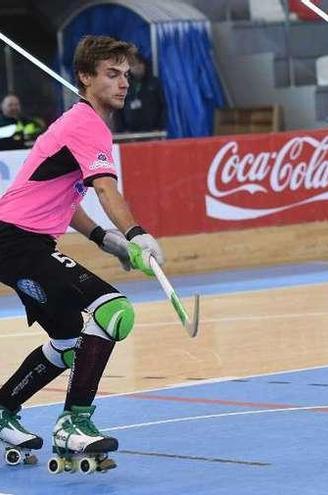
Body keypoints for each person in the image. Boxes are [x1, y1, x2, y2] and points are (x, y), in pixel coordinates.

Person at [0, 35, 165, 469]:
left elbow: (67, 201)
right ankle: (74, 423)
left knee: (69, 339)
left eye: (126, 74)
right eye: (111, 74)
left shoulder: (79, 124)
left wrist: (106, 240)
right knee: (114, 312)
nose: (123, 83)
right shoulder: (86, 123)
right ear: (85, 78)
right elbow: (104, 188)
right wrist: (135, 233)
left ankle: (3, 408)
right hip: (15, 241)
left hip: (18, 242)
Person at [117, 53, 165, 133]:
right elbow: (118, 110)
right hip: (130, 133)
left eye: (140, 63)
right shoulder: (124, 85)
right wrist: (123, 130)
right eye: (133, 65)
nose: (138, 67)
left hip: (152, 131)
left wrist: (159, 128)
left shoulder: (154, 83)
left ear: (144, 64)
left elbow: (162, 107)